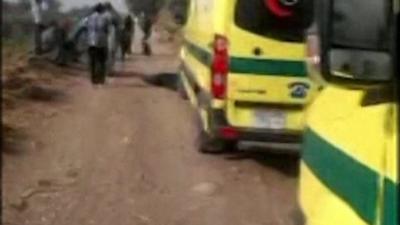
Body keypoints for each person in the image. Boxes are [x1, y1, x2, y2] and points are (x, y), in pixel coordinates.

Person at [77, 3, 111, 85]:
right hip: (101, 42)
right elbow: (107, 30)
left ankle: (93, 79)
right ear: (101, 10)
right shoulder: (105, 18)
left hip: (91, 42)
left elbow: (82, 28)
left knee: (92, 61)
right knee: (102, 61)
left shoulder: (88, 18)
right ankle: (101, 79)